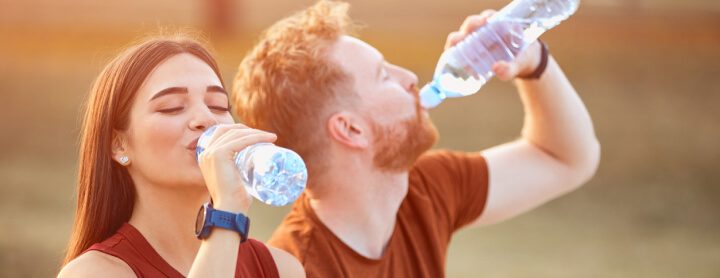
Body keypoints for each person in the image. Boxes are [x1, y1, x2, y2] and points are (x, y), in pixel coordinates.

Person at [231, 1, 600, 277]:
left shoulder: (423, 188)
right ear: (350, 129)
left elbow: (567, 159)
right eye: (382, 75)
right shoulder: (298, 267)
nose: (408, 76)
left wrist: (533, 62)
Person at [57, 34, 305, 277]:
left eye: (218, 105)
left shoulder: (281, 269)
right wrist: (226, 211)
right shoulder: (94, 272)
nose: (207, 119)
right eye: (172, 107)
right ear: (119, 145)